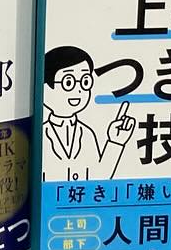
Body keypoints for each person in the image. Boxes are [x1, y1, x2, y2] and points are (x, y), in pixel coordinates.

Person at [42, 45, 134, 181]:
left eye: (85, 81)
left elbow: (99, 176)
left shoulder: (86, 133)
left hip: (81, 193)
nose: (79, 90)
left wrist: (115, 142)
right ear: (45, 87)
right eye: (69, 82)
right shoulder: (40, 133)